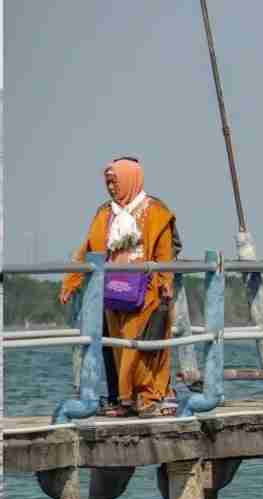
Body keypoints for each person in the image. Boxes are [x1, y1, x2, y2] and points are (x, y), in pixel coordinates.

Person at [59, 158, 178, 418]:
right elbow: (87, 249)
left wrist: (165, 280)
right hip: (113, 292)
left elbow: (165, 251)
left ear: (129, 179)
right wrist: (71, 280)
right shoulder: (105, 213)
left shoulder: (155, 211)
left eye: (115, 182)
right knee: (119, 347)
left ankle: (147, 397)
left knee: (143, 347)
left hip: (147, 291)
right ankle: (126, 400)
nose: (111, 188)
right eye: (108, 183)